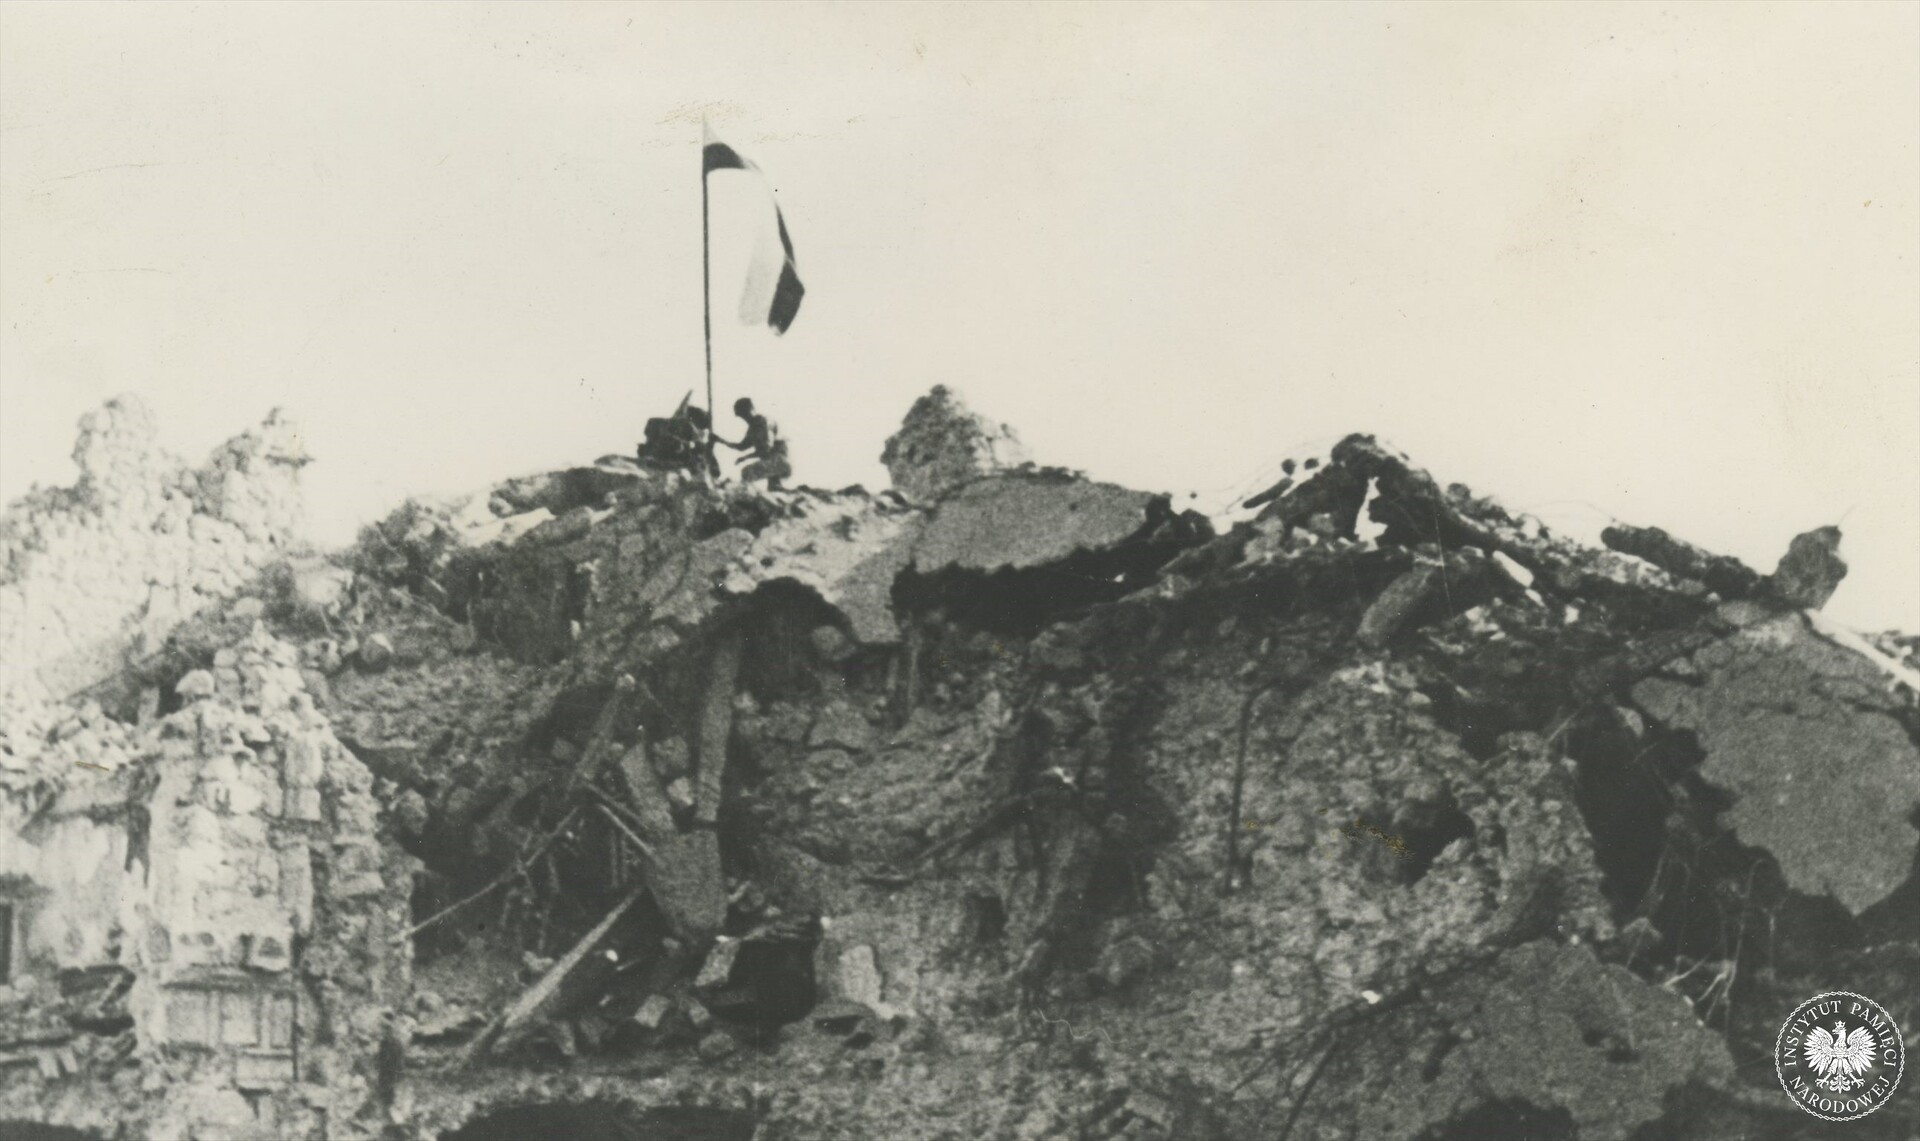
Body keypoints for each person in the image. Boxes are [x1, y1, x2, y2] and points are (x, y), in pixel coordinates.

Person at [714, 397, 791, 489]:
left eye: (745, 415)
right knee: (773, 489)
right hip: (776, 463)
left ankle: (742, 491)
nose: (745, 419)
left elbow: (766, 449)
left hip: (779, 462)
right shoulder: (754, 427)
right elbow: (741, 446)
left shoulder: (763, 422)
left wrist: (745, 457)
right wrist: (720, 440)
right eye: (742, 416)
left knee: (747, 473)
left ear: (751, 410)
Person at [638, 402, 718, 479]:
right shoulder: (687, 428)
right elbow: (699, 446)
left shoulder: (659, 423)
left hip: (661, 458)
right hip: (662, 458)